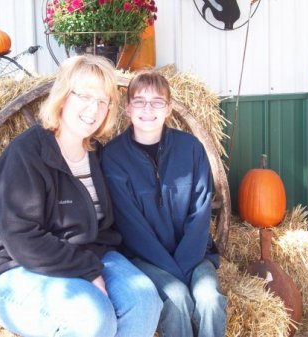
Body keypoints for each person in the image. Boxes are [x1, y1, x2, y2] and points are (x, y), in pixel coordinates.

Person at [0, 55, 162, 337]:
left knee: (145, 301)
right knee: (92, 317)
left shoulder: (98, 154)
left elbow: (110, 227)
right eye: (85, 96)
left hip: (87, 254)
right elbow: (22, 239)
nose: (93, 108)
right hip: (16, 267)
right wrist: (88, 271)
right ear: (63, 97)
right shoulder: (26, 154)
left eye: (103, 100)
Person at [101, 70, 227, 337]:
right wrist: (172, 270)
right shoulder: (113, 157)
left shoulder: (191, 149)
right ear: (127, 108)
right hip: (144, 258)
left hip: (194, 255)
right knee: (177, 298)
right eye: (139, 101)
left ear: (168, 108)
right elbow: (131, 225)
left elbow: (201, 210)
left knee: (210, 301)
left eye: (157, 101)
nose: (148, 109)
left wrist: (184, 262)